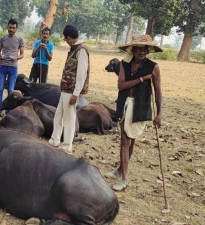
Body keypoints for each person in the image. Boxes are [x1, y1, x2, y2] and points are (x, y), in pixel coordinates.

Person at [104, 34, 163, 191]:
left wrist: (159, 114)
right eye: (139, 48)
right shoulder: (125, 63)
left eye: (144, 49)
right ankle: (124, 177)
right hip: (125, 103)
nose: (141, 52)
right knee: (125, 139)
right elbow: (121, 85)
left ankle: (121, 171)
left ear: (148, 50)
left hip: (140, 106)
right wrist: (142, 79)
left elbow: (158, 93)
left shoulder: (153, 67)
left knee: (131, 138)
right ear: (133, 49)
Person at [48, 25, 90, 153]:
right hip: (65, 90)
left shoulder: (81, 50)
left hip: (71, 91)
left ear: (69, 38)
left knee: (69, 119)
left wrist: (76, 93)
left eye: (66, 39)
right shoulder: (74, 49)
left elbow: (82, 74)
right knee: (58, 115)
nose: (66, 41)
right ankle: (54, 140)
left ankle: (67, 146)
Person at [0, 19, 25, 117]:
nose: (11, 29)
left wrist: (16, 58)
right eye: (10, 27)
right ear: (7, 27)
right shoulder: (3, 38)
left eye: (13, 28)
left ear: (17, 29)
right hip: (2, 66)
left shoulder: (20, 40)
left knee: (11, 90)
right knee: (0, 89)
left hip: (13, 67)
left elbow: (22, 54)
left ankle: (9, 112)